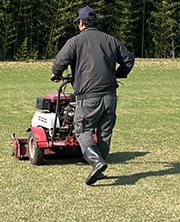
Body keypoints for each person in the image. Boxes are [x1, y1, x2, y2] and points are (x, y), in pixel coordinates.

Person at [51, 6, 135, 185]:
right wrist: (118, 74)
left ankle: (96, 162)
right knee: (104, 133)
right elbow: (129, 59)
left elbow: (60, 61)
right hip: (110, 97)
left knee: (82, 129)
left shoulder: (75, 42)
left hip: (88, 97)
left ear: (81, 23)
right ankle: (100, 165)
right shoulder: (111, 40)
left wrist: (56, 73)